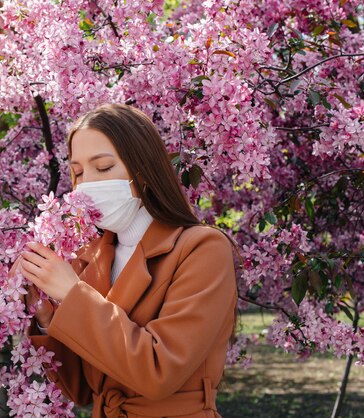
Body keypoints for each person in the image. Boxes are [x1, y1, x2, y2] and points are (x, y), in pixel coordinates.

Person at [16, 103, 238, 418]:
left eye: (104, 167)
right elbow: (80, 389)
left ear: (143, 170)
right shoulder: (91, 254)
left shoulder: (202, 249)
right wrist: (49, 318)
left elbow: (159, 372)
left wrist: (72, 294)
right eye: (78, 173)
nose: (88, 185)